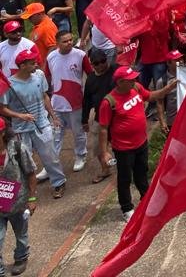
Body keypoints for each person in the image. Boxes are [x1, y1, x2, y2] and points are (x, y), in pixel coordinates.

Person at [98, 65, 177, 221]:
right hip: (123, 148)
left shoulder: (136, 88)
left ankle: (146, 199)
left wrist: (167, 89)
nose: (134, 80)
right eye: (130, 79)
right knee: (125, 178)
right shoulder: (109, 102)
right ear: (120, 82)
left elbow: (152, 95)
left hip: (141, 142)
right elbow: (103, 129)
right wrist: (105, 152)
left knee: (142, 172)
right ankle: (127, 208)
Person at [0, 49, 66, 199]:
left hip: (42, 124)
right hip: (21, 129)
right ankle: (27, 191)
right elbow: (2, 108)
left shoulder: (39, 76)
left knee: (50, 156)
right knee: (24, 162)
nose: (36, 64)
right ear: (22, 66)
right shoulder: (10, 85)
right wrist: (20, 115)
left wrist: (53, 116)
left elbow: (45, 97)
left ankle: (59, 182)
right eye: (32, 62)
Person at [0, 116, 37, 276]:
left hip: (18, 202)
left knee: (21, 234)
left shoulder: (17, 148)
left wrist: (32, 198)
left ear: (2, 133)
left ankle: (21, 257)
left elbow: (30, 173)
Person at [47, 30, 88, 174]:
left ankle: (80, 155)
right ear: (57, 43)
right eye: (65, 41)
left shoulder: (80, 55)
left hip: (75, 103)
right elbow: (47, 77)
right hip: (57, 103)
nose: (69, 43)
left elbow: (91, 74)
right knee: (55, 136)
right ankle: (51, 164)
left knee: (78, 132)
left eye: (71, 40)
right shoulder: (51, 57)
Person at [80, 48, 114, 183]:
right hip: (100, 118)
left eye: (103, 61)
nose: (100, 65)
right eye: (96, 63)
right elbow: (86, 101)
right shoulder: (91, 80)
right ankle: (106, 169)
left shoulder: (115, 70)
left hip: (117, 116)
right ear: (92, 64)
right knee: (98, 147)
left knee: (121, 146)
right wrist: (84, 120)